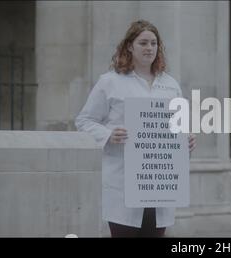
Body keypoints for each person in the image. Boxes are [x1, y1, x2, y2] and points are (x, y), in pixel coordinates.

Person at [75, 20, 196, 238]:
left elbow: (179, 128)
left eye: (153, 43)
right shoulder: (110, 82)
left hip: (160, 183)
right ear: (130, 46)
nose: (149, 48)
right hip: (124, 183)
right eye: (143, 43)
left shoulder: (170, 85)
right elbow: (84, 121)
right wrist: (108, 134)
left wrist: (186, 140)